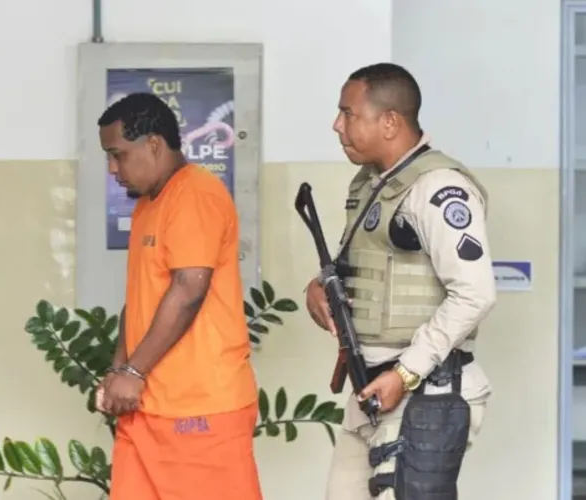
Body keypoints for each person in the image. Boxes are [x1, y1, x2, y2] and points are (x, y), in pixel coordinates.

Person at [307, 63, 496, 500]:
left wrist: (406, 373)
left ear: (390, 122)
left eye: (348, 113)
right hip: (371, 390)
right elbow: (361, 265)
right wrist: (318, 287)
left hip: (423, 392)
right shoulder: (374, 184)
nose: (337, 125)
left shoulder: (438, 187)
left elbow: (475, 293)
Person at [93, 92, 262, 500]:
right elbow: (139, 298)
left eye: (117, 155)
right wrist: (119, 371)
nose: (113, 169)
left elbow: (189, 289)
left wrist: (133, 373)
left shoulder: (195, 194)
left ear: (153, 144)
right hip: (146, 409)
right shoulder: (148, 205)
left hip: (199, 409)